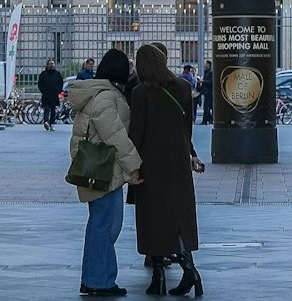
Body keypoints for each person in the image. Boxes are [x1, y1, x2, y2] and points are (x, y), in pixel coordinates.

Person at [128, 44, 202, 297]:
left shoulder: (141, 93)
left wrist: (132, 168)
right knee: (179, 217)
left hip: (150, 163)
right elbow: (187, 127)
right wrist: (187, 153)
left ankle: (158, 276)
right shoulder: (183, 87)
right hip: (177, 161)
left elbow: (136, 133)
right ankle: (189, 269)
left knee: (152, 218)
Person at [68, 50, 143, 298]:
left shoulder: (98, 92)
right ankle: (100, 281)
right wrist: (133, 165)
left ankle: (92, 278)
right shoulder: (106, 97)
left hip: (98, 167)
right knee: (107, 226)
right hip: (104, 169)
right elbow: (115, 135)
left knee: (98, 225)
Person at [39, 59, 66, 132]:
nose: (52, 65)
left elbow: (61, 82)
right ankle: (46, 121)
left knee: (53, 110)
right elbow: (40, 83)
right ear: (47, 65)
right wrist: (43, 90)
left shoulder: (57, 73)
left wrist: (58, 90)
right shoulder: (43, 74)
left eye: (53, 64)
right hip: (46, 94)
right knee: (46, 109)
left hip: (54, 94)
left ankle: (52, 124)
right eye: (50, 64)